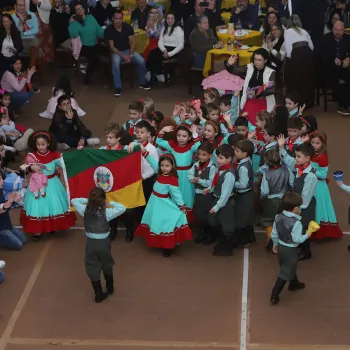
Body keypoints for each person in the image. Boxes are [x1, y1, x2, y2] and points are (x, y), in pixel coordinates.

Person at [71, 187, 126, 303]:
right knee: (107, 263)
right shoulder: (107, 212)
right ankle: (110, 287)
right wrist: (110, 203)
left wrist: (87, 201)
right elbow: (122, 208)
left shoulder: (84, 210)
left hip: (91, 243)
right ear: (103, 200)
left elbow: (74, 201)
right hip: (104, 243)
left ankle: (98, 294)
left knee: (92, 265)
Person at [20, 131, 77, 240]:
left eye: (43, 144)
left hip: (52, 184)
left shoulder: (54, 155)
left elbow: (65, 164)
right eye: (38, 144)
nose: (40, 147)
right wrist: (30, 168)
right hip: (36, 184)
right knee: (38, 206)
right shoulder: (32, 156)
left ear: (49, 144)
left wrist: (77, 153)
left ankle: (52, 226)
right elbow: (24, 167)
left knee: (53, 205)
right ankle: (37, 231)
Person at [134, 150, 192, 257]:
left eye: (167, 166)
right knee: (155, 221)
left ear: (172, 166)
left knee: (166, 223)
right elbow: (151, 160)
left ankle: (168, 247)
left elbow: (177, 194)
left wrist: (182, 206)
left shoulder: (172, 179)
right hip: (153, 202)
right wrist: (144, 152)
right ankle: (160, 242)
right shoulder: (159, 171)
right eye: (162, 165)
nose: (164, 168)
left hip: (163, 203)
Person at [270, 192, 313, 305]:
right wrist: (308, 234)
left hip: (281, 246)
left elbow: (274, 234)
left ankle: (294, 283)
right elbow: (297, 239)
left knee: (287, 266)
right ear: (295, 208)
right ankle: (275, 294)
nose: (300, 208)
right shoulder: (296, 223)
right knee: (285, 271)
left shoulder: (277, 217)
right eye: (299, 206)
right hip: (291, 250)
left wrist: (275, 244)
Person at [156, 123, 201, 222]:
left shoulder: (191, 147)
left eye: (184, 136)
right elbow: (158, 141)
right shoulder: (172, 145)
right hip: (175, 176)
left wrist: (194, 134)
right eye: (179, 135)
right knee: (175, 195)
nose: (181, 138)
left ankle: (186, 222)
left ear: (189, 138)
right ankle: (175, 220)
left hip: (187, 176)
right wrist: (163, 130)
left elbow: (199, 147)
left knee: (188, 196)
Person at [104, 10, 150, 97]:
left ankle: (142, 82)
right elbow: (112, 47)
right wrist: (124, 57)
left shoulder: (128, 27)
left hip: (128, 50)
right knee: (115, 63)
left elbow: (133, 42)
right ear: (112, 19)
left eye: (120, 18)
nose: (118, 20)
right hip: (116, 52)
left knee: (141, 61)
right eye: (116, 18)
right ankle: (118, 87)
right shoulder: (108, 30)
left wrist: (131, 54)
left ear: (122, 19)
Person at [308, 131, 343, 240]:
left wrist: (310, 169)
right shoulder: (313, 154)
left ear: (322, 144)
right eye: (312, 142)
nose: (314, 145)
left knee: (319, 207)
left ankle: (319, 231)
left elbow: (323, 175)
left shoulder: (322, 157)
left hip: (319, 186)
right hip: (312, 183)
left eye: (317, 143)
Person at [202, 144, 235, 256]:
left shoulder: (229, 174)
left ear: (229, 159)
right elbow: (217, 183)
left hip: (225, 203)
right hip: (218, 200)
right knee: (216, 223)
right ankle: (222, 243)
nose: (217, 160)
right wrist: (209, 189)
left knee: (226, 226)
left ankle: (226, 248)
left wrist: (216, 207)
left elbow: (225, 195)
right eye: (217, 157)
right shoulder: (221, 169)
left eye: (221, 158)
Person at [228, 49, 276, 126]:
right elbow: (234, 70)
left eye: (259, 60)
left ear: (266, 60)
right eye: (255, 59)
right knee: (246, 124)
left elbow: (272, 89)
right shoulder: (249, 68)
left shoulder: (271, 72)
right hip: (250, 100)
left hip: (263, 102)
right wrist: (229, 65)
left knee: (261, 125)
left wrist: (257, 93)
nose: (256, 62)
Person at [127, 120, 159, 226]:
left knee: (145, 202)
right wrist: (131, 143)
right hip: (135, 180)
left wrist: (142, 177)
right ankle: (137, 223)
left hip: (146, 181)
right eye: (137, 132)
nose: (139, 134)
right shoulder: (133, 146)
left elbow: (154, 168)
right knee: (136, 203)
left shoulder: (152, 149)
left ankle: (145, 224)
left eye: (142, 132)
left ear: (148, 134)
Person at [261, 149, 291, 250]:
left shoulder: (267, 173)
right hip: (284, 199)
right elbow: (291, 183)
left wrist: (262, 197)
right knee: (283, 220)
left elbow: (264, 191)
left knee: (268, 220)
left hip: (271, 200)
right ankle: (283, 242)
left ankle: (270, 238)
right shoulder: (286, 169)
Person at [68, 2, 104, 85]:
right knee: (95, 59)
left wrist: (107, 34)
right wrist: (71, 22)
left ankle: (107, 74)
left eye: (80, 8)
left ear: (84, 9)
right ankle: (87, 78)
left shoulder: (91, 17)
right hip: (84, 47)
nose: (79, 10)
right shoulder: (76, 21)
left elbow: (99, 30)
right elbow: (73, 34)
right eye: (77, 10)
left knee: (106, 52)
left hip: (94, 44)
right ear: (75, 12)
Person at [187, 141, 216, 244]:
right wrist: (193, 179)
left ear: (210, 155)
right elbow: (189, 176)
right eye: (199, 154)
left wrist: (198, 180)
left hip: (208, 195)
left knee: (207, 216)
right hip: (198, 194)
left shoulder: (212, 167)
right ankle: (202, 234)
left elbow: (211, 183)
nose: (201, 157)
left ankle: (210, 235)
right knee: (199, 215)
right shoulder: (196, 165)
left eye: (204, 155)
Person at [284, 15, 315, 108]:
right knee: (306, 78)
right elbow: (312, 47)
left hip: (296, 55)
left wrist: (290, 59)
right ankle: (307, 102)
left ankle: (295, 102)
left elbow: (288, 48)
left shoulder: (287, 31)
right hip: (307, 55)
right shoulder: (304, 31)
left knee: (295, 79)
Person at [147, 12, 184, 83]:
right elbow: (160, 41)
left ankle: (156, 74)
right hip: (164, 48)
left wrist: (169, 54)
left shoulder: (178, 29)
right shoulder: (164, 27)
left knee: (156, 57)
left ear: (175, 19)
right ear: (166, 19)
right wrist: (163, 50)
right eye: (168, 18)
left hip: (173, 50)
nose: (170, 20)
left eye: (172, 18)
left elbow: (181, 45)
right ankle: (155, 74)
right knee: (151, 53)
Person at [323, 20, 350, 116]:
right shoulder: (326, 38)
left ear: (344, 30)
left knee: (348, 77)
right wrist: (332, 60)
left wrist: (348, 58)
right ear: (332, 29)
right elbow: (321, 55)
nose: (338, 32)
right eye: (336, 30)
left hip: (343, 67)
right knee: (340, 82)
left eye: (340, 30)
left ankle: (347, 105)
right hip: (330, 68)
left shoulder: (347, 38)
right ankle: (342, 106)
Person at [233, 139, 256, 247]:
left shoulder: (243, 167)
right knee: (246, 218)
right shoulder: (247, 161)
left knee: (241, 219)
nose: (235, 153)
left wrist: (231, 183)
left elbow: (243, 184)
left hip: (244, 195)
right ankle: (250, 238)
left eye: (237, 151)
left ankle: (244, 241)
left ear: (244, 154)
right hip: (247, 194)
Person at [0, 172, 27, 250]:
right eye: (0, 179)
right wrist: (8, 203)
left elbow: (5, 207)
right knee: (18, 245)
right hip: (1, 228)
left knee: (24, 240)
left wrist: (10, 202)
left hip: (7, 225)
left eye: (1, 178)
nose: (2, 181)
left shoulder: (0, 190)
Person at [12, 0, 39, 68]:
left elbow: (36, 30)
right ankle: (31, 70)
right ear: (15, 6)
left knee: (35, 42)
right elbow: (15, 33)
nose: (22, 7)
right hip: (20, 41)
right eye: (20, 5)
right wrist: (20, 23)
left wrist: (23, 33)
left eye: (24, 5)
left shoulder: (32, 15)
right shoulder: (12, 18)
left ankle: (30, 68)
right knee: (36, 46)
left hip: (31, 39)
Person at [25, 0, 53, 66]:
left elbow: (49, 7)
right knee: (34, 43)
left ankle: (42, 63)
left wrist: (39, 3)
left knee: (43, 43)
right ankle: (33, 64)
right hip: (30, 20)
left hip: (42, 21)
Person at [0, 14, 23, 78]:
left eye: (7, 21)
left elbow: (21, 47)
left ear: (11, 22)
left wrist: (14, 49)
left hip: (13, 58)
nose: (5, 23)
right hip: (2, 58)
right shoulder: (0, 32)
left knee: (14, 71)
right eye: (3, 22)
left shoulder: (16, 33)